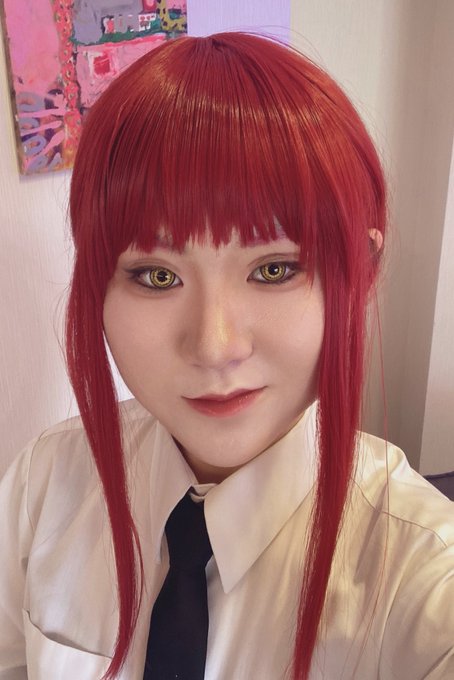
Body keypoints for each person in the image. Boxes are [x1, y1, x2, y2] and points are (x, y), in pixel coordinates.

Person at [0, 32, 453, 680]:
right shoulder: (44, 485)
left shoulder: (422, 576)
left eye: (274, 269)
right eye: (157, 276)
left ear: (363, 271)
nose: (214, 347)